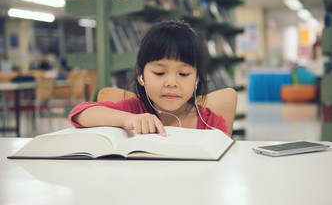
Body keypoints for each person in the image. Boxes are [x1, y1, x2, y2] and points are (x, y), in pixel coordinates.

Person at [68, 20, 228, 136]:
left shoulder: (212, 123)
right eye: (159, 73)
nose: (171, 83)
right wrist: (128, 119)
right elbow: (79, 113)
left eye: (184, 74)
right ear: (140, 75)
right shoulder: (134, 109)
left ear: (197, 79)